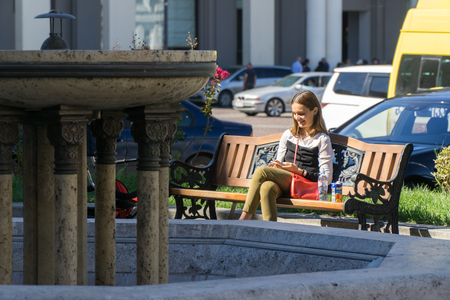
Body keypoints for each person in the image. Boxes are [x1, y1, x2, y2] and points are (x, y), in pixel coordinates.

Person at [239, 91, 334, 221]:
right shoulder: (289, 135)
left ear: (315, 111)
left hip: (304, 185)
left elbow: (327, 178)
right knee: (267, 187)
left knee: (262, 172)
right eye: (294, 113)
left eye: (301, 113)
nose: (297, 117)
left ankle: (243, 220)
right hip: (286, 183)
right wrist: (278, 166)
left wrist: (299, 171)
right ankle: (270, 231)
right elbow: (280, 160)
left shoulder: (322, 139)